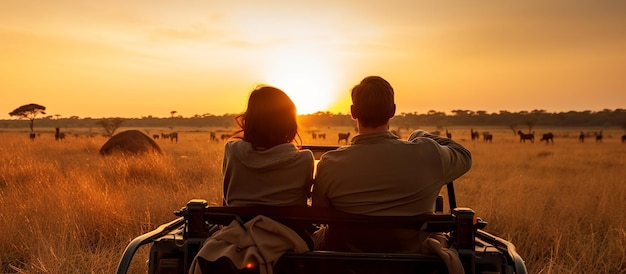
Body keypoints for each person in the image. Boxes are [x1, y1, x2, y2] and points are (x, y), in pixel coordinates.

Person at [312, 76, 472, 253]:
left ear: (353, 112)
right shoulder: (427, 154)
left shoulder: (329, 163)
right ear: (393, 111)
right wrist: (419, 135)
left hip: (347, 262)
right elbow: (464, 155)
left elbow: (320, 213)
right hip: (410, 263)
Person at [222, 85, 315, 207]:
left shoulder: (232, 151)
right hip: (286, 226)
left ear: (249, 118)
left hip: (239, 225)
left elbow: (226, 198)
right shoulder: (304, 159)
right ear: (289, 122)